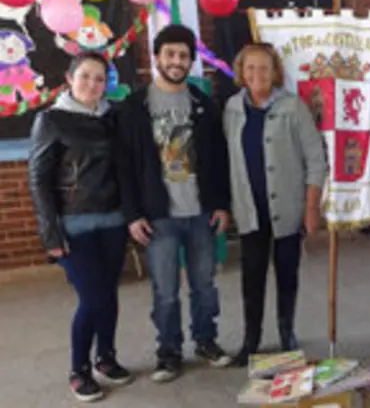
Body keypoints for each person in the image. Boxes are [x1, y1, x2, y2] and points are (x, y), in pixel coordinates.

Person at [115, 24, 232, 382]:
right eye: (170, 54)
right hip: (158, 215)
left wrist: (222, 204)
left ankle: (206, 340)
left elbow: (219, 159)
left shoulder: (203, 104)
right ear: (157, 57)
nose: (177, 61)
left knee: (205, 286)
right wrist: (133, 214)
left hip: (200, 212)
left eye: (184, 56)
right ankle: (168, 351)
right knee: (164, 290)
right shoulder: (135, 108)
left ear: (191, 61)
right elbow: (124, 166)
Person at [29, 51, 131, 402]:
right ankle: (79, 370)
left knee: (109, 294)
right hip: (74, 223)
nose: (92, 84)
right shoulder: (52, 120)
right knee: (93, 297)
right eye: (85, 76)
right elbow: (38, 179)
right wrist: (51, 234)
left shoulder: (113, 117)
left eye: (100, 79)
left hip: (114, 220)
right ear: (70, 78)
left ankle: (106, 357)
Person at [222, 43, 328, 367]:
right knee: (251, 279)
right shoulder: (231, 108)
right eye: (250, 68)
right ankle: (251, 340)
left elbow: (315, 160)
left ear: (275, 72)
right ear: (242, 71)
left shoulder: (293, 107)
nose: (257, 74)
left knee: (287, 275)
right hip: (250, 209)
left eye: (264, 68)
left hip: (288, 209)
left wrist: (311, 208)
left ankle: (287, 334)